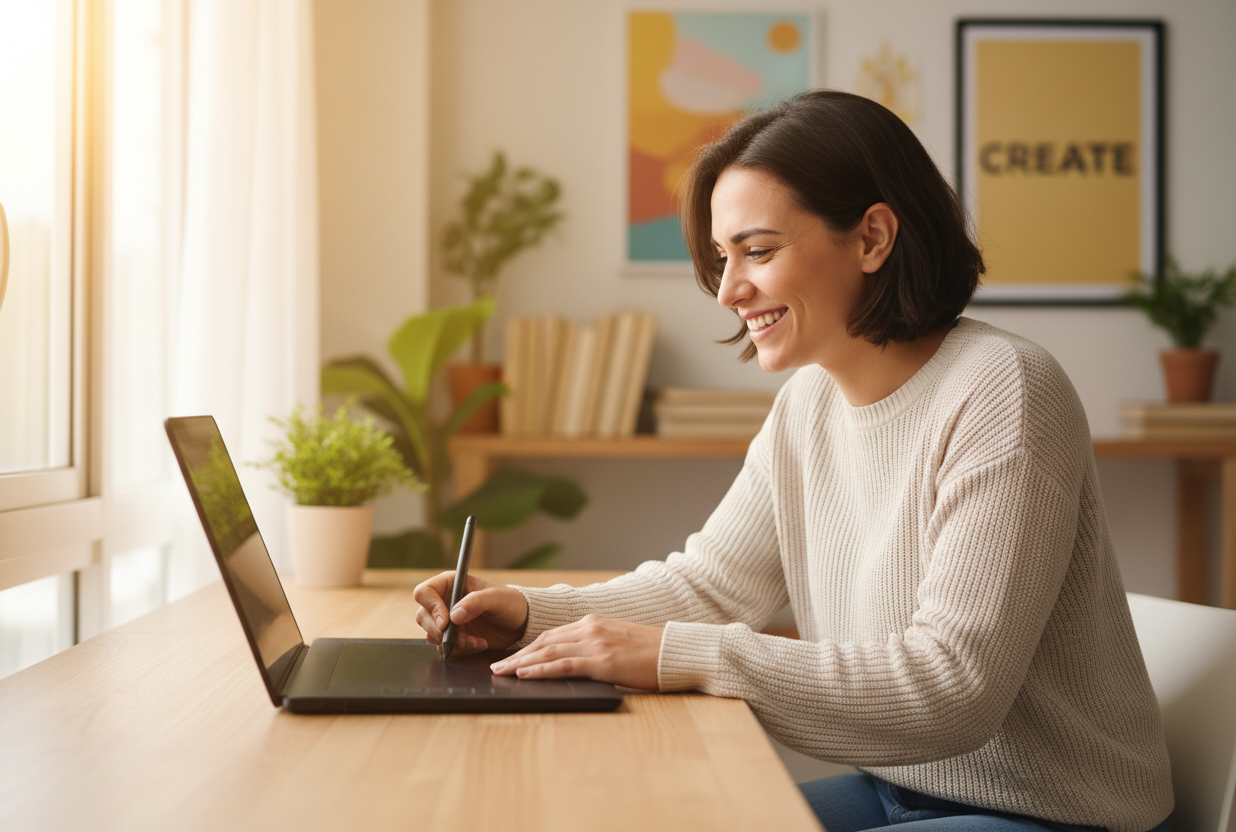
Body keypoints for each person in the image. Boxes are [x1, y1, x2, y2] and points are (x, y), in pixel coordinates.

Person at [413, 90, 1173, 832]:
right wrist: (527, 614)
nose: (728, 291)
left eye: (758, 250)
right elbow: (712, 588)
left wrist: (677, 654)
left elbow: (952, 690)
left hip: (1050, 811)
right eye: (723, 257)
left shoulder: (1006, 390)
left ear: (872, 238)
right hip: (897, 790)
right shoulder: (808, 403)